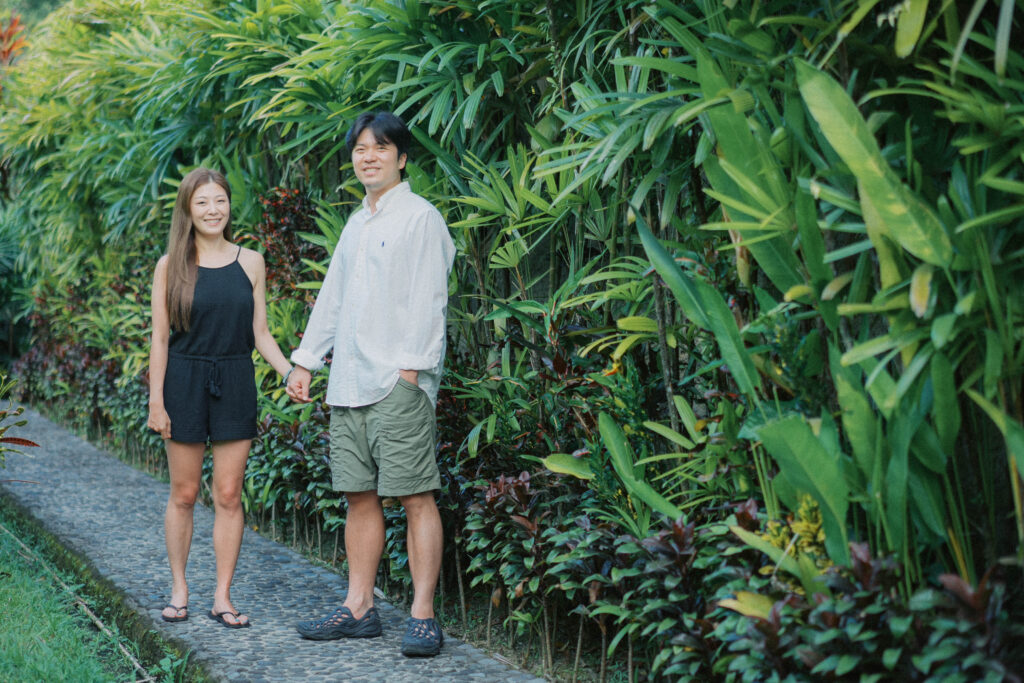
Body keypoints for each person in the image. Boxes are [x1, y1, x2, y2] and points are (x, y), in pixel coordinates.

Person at [285, 111, 455, 657]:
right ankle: (359, 607)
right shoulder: (356, 223)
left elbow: (431, 299)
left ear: (402, 158)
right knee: (358, 496)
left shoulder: (421, 218)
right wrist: (306, 361)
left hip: (397, 382)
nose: (369, 157)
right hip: (349, 382)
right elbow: (333, 297)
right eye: (360, 149)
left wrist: (411, 372)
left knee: (414, 495)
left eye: (380, 148)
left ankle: (423, 615)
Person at [147, 167, 294, 629]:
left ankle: (223, 596)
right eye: (202, 202)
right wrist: (156, 401)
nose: (213, 210)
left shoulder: (251, 262)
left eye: (220, 201)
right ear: (188, 210)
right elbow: (160, 340)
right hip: (184, 380)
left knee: (229, 494)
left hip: (234, 379)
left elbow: (261, 333)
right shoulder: (170, 265)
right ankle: (179, 589)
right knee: (185, 493)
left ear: (230, 205)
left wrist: (290, 372)